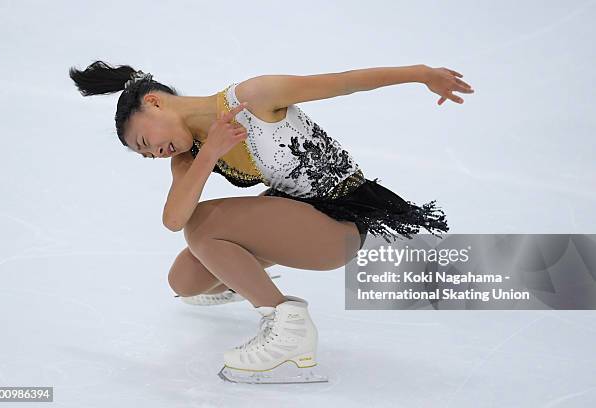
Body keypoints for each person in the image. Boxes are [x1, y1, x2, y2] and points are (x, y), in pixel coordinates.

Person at [69, 61, 473, 383]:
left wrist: (422, 75)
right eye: (146, 156)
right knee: (186, 281)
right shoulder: (189, 156)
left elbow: (345, 82)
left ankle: (287, 323)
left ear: (155, 103)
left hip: (339, 223)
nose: (155, 153)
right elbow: (172, 219)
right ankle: (244, 279)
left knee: (204, 226)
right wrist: (209, 153)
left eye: (144, 142)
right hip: (300, 217)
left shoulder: (253, 97)